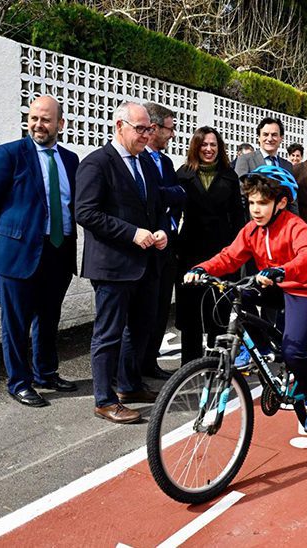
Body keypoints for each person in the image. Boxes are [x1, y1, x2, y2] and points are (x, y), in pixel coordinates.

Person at [184, 165, 307, 433]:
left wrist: (282, 270)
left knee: (293, 352)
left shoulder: (296, 227)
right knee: (232, 291)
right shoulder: (251, 230)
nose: (255, 209)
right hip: (273, 285)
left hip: (305, 288)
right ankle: (261, 347)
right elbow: (230, 256)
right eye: (251, 202)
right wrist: (202, 269)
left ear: (281, 202)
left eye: (263, 203)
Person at [0, 95, 80, 407]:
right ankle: (19, 382)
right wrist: (6, 237)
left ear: (60, 124)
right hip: (17, 253)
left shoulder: (70, 159)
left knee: (49, 318)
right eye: (34, 118)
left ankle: (46, 373)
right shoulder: (8, 154)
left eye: (46, 119)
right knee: (16, 322)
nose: (38, 124)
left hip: (58, 250)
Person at [75, 102, 171, 424]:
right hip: (113, 265)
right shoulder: (97, 164)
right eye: (140, 129)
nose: (147, 135)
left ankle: (129, 385)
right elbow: (86, 213)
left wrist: (161, 230)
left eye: (150, 129)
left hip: (146, 263)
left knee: (141, 328)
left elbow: (154, 206)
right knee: (109, 333)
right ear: (120, 126)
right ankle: (104, 399)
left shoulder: (146, 163)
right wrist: (132, 234)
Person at [123, 102, 186, 381]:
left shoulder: (167, 162)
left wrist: (171, 193)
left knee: (160, 309)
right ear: (155, 127)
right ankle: (130, 371)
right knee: (137, 314)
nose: (172, 135)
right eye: (170, 129)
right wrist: (172, 193)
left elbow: (175, 194)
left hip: (167, 242)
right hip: (144, 244)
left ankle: (150, 362)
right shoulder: (138, 160)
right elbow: (158, 196)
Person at [175, 127, 245, 364]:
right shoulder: (183, 174)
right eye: (203, 144)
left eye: (213, 144)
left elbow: (238, 216)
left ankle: (217, 365)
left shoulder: (229, 176)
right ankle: (189, 366)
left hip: (222, 249)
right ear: (196, 146)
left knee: (219, 309)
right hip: (189, 249)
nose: (208, 149)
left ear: (220, 147)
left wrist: (238, 251)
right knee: (190, 312)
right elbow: (172, 213)